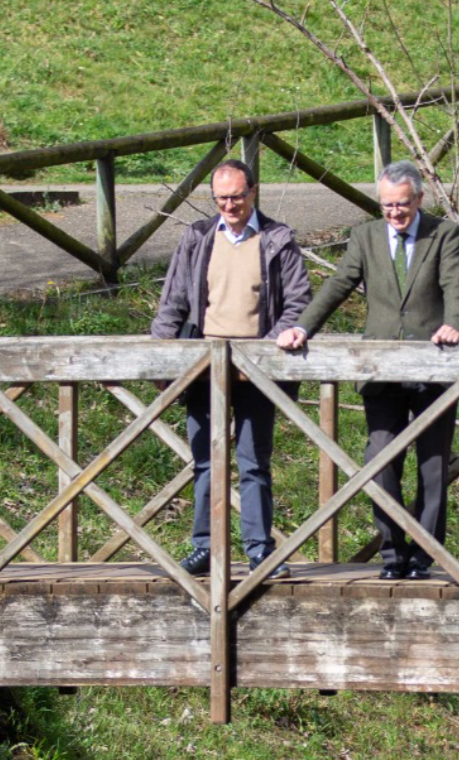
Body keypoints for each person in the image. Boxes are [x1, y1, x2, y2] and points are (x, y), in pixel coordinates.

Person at [276, 160, 459, 580]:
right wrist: (301, 327)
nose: (395, 214)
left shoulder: (443, 234)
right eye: (387, 206)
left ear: (419, 198)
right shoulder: (364, 236)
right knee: (380, 458)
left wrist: (454, 324)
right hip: (380, 370)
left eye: (402, 205)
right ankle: (392, 551)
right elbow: (337, 286)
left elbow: (456, 285)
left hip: (432, 366)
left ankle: (424, 555)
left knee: (433, 464)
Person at [151, 159, 311, 580]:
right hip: (204, 368)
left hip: (256, 371)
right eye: (222, 198)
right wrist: (160, 358)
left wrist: (272, 343)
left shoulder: (277, 239)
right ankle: (205, 547)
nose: (230, 205)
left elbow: (299, 301)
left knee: (253, 460)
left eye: (237, 196)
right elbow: (174, 301)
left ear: (253, 192)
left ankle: (260, 550)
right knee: (205, 460)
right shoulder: (198, 237)